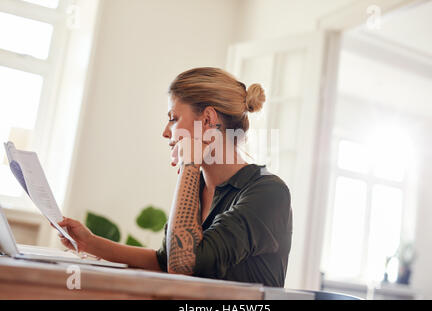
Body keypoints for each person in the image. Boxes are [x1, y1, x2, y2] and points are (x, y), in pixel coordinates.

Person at [58, 67, 292, 287]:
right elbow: (166, 261)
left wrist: (190, 162)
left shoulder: (269, 192)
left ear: (208, 121)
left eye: (173, 118)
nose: (166, 132)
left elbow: (183, 263)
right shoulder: (198, 186)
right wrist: (90, 243)